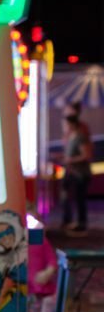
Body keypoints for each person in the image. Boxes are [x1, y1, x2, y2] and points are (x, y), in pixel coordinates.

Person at [58, 102, 92, 237]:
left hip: (80, 173)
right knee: (69, 196)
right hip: (72, 172)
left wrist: (69, 160)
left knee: (79, 199)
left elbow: (86, 155)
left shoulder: (80, 135)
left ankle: (81, 224)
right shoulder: (71, 136)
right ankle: (71, 221)